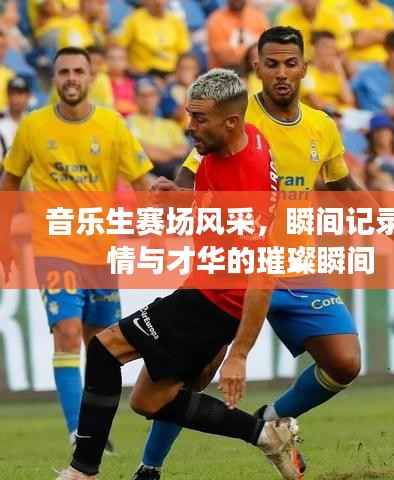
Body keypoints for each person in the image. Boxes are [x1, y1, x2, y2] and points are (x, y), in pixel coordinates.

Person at [132, 26, 361, 480]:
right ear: (257, 67)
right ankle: (149, 468)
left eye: (290, 64)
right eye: (271, 64)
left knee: (344, 362)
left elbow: (344, 187)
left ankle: (270, 420)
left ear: (304, 68)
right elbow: (189, 175)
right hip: (237, 267)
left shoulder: (321, 126)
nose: (281, 73)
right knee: (195, 374)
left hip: (296, 265)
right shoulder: (233, 118)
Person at [55, 68, 304, 480]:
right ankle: (264, 434)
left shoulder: (248, 177)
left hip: (211, 301)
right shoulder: (240, 140)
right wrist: (182, 198)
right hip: (206, 295)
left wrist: (239, 352)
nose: (190, 127)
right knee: (149, 400)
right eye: (190, 115)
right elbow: (220, 205)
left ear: (230, 121)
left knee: (105, 349)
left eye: (200, 118)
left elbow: (263, 274)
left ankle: (82, 471)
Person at [0, 46, 153, 450]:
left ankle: (95, 429)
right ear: (54, 79)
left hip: (101, 252)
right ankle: (78, 432)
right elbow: (10, 179)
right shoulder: (33, 127)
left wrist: (150, 223)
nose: (71, 78)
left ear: (90, 77)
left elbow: (142, 179)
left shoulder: (112, 125)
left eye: (78, 71)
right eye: (64, 71)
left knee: (102, 347)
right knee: (67, 334)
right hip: (54, 248)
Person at [128, 78, 189, 179]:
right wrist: (170, 152)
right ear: (136, 98)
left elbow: (183, 150)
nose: (148, 99)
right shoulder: (130, 121)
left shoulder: (170, 124)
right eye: (143, 95)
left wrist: (158, 152)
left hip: (173, 169)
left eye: (151, 95)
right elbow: (141, 151)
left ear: (158, 97)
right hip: (148, 171)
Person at [113, 0, 191, 75]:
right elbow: (119, 47)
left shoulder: (176, 21)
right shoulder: (133, 19)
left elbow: (184, 53)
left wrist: (176, 75)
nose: (157, 2)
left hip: (171, 73)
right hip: (142, 73)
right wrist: (131, 69)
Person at [206, 0, 269, 70]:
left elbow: (267, 46)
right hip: (224, 71)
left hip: (254, 69)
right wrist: (249, 50)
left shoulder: (258, 17)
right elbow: (224, 56)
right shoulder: (216, 20)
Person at [301, 30, 355, 111]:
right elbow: (317, 104)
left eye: (333, 48)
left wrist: (340, 72)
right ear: (314, 48)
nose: (331, 52)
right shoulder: (307, 73)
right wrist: (336, 107)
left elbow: (349, 100)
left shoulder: (336, 73)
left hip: (342, 113)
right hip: (322, 114)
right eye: (327, 47)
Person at [0, 76, 31, 160]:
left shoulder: (33, 121)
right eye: (12, 94)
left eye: (20, 94)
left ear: (28, 96)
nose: (15, 99)